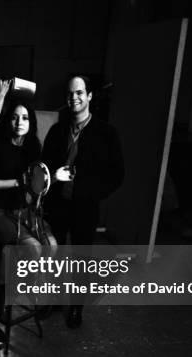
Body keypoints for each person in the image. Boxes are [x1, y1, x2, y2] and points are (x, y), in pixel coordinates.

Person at [41, 75, 124, 328]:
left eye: (79, 93)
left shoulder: (107, 133)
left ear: (89, 96)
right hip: (58, 204)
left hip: (85, 207)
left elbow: (117, 174)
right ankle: (52, 301)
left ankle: (76, 307)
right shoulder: (57, 130)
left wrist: (91, 192)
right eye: (70, 93)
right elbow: (45, 166)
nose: (74, 97)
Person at [0, 101, 57, 313]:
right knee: (34, 247)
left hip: (20, 209)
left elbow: (36, 183)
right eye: (15, 117)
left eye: (24, 118)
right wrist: (17, 182)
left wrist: (48, 181)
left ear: (31, 122)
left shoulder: (33, 147)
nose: (19, 122)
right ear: (8, 120)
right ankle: (5, 294)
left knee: (52, 245)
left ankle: (28, 286)